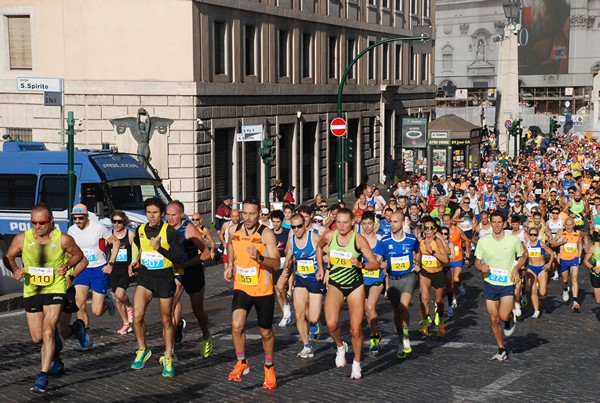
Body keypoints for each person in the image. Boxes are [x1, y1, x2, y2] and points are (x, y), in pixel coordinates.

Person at [5, 203, 85, 393]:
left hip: (55, 287)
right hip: (32, 289)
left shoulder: (63, 239)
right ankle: (72, 331)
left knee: (48, 330)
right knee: (37, 337)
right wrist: (15, 269)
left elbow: (78, 255)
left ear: (51, 221)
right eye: (34, 222)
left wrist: (67, 267)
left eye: (42, 222)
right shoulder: (22, 239)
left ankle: (42, 376)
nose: (38, 226)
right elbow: (8, 257)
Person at [224, 198, 280, 389]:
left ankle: (269, 367)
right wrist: (230, 265)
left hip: (263, 290)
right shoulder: (234, 230)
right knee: (236, 324)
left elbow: (277, 263)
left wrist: (260, 258)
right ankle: (242, 362)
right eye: (244, 213)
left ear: (259, 214)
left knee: (265, 331)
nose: (247, 217)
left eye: (252, 214)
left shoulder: (266, 234)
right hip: (242, 287)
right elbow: (231, 246)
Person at [316, 208, 379, 380]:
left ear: (352, 222)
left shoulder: (358, 240)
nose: (341, 226)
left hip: (355, 286)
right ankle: (340, 346)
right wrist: (321, 268)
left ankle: (357, 363)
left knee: (355, 329)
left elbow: (375, 263)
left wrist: (361, 265)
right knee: (330, 323)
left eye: (345, 222)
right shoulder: (330, 236)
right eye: (339, 222)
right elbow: (319, 246)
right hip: (336, 284)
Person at [128, 197, 184, 377]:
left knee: (166, 320)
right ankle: (142, 349)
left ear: (162, 214)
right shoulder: (141, 229)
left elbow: (178, 258)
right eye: (148, 213)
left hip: (164, 278)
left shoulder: (170, 232)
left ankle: (168, 356)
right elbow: (136, 245)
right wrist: (134, 261)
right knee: (137, 316)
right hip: (145, 277)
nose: (151, 216)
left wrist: (159, 248)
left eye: (155, 213)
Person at [475, 211, 527, 361]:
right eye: (494, 222)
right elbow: (477, 261)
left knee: (503, 315)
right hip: (490, 283)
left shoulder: (513, 240)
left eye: (499, 222)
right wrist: (481, 267)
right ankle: (501, 348)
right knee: (493, 318)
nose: (496, 225)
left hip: (507, 282)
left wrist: (516, 268)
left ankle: (509, 319)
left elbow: (524, 255)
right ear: (490, 223)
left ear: (504, 223)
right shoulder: (483, 242)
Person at [165, 201, 212, 356]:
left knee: (197, 310)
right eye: (168, 214)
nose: (170, 218)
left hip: (193, 271)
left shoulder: (189, 229)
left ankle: (206, 336)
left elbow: (206, 254)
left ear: (181, 214)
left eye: (173, 215)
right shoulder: (164, 228)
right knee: (169, 309)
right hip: (176, 272)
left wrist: (187, 263)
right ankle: (170, 351)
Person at [372, 210, 420, 359]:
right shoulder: (385, 241)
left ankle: (405, 333)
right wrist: (380, 264)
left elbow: (417, 251)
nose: (391, 224)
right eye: (390, 222)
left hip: (408, 278)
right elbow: (376, 259)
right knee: (396, 312)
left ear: (402, 223)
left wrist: (417, 263)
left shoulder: (411, 239)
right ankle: (401, 338)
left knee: (403, 305)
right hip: (392, 280)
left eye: (395, 222)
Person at [68, 204, 119, 342]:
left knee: (97, 311)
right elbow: (69, 250)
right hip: (81, 270)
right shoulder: (71, 230)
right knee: (80, 304)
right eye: (75, 218)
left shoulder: (98, 228)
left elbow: (116, 242)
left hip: (98, 269)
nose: (77, 221)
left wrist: (111, 263)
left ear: (86, 216)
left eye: (80, 218)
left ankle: (107, 302)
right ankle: (85, 336)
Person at [284, 213, 324, 358]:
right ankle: (306, 345)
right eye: (293, 227)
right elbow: (288, 258)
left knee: (313, 318)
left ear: (305, 225)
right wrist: (284, 273)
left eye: (299, 226)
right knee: (299, 313)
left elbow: (328, 253)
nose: (296, 230)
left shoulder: (314, 238)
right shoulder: (291, 240)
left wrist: (325, 269)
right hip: (300, 279)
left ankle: (321, 310)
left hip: (315, 279)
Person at [419, 217, 450, 337]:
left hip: (438, 272)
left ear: (435, 229)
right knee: (424, 298)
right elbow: (418, 255)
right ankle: (425, 325)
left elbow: (446, 259)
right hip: (425, 271)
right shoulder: (421, 241)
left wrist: (432, 252)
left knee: (439, 301)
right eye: (426, 228)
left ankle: (441, 321)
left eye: (430, 228)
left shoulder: (438, 242)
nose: (428, 231)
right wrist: (416, 264)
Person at [359, 211, 385, 353]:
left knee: (370, 306)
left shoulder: (380, 239)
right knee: (366, 311)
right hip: (362, 279)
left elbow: (388, 257)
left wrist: (386, 264)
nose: (367, 226)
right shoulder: (358, 240)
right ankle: (375, 331)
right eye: (364, 224)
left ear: (373, 224)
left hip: (376, 278)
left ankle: (373, 337)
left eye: (369, 223)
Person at [550, 217, 587, 311]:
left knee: (574, 278)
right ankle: (565, 288)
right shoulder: (561, 232)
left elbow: (584, 237)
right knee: (565, 280)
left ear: (573, 225)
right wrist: (561, 242)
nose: (568, 227)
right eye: (566, 225)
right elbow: (552, 244)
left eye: (570, 225)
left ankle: (575, 301)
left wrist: (580, 253)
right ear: (564, 225)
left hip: (574, 258)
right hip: (563, 259)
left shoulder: (577, 233)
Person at [109, 211, 136, 335]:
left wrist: (135, 262)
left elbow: (136, 250)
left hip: (126, 269)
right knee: (117, 299)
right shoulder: (110, 234)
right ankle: (126, 323)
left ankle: (129, 306)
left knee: (120, 294)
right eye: (114, 221)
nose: (116, 224)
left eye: (119, 221)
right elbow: (105, 250)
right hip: (114, 270)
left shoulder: (130, 234)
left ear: (124, 221)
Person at [524, 227, 554, 318]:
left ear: (537, 236)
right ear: (528, 235)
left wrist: (549, 264)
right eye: (531, 235)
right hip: (531, 268)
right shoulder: (525, 245)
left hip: (541, 268)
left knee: (542, 292)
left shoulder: (541, 244)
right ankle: (536, 311)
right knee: (533, 291)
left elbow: (552, 253)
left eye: (535, 235)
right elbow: (522, 256)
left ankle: (542, 288)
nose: (533, 236)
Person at [271, 210, 292, 328]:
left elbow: (290, 248)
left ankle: (287, 307)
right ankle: (285, 314)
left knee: (280, 286)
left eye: (278, 222)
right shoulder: (269, 233)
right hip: (274, 264)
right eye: (273, 222)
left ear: (282, 222)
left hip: (286, 262)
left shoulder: (288, 232)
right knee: (277, 291)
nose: (275, 224)